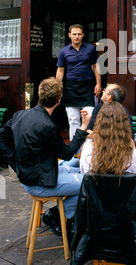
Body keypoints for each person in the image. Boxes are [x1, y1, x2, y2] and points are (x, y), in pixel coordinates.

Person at [0, 77, 91, 236]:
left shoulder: (20, 115)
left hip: (30, 176)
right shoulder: (48, 126)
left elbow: (2, 136)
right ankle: (57, 215)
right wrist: (83, 127)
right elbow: (67, 153)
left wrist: (15, 164)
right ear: (59, 100)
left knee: (77, 170)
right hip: (39, 183)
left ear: (40, 95)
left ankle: (59, 215)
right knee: (91, 183)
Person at [79, 102, 136, 200]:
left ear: (99, 122)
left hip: (96, 205)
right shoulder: (130, 152)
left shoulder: (88, 148)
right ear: (124, 124)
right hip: (126, 205)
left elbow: (85, 176)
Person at [56, 24, 101, 140]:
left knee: (89, 118)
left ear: (83, 35)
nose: (76, 37)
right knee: (73, 120)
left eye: (79, 34)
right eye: (74, 34)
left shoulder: (90, 49)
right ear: (69, 35)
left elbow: (96, 66)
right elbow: (60, 70)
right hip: (70, 87)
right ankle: (75, 150)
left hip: (87, 86)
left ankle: (87, 148)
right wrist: (57, 88)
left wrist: (98, 83)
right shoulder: (64, 51)